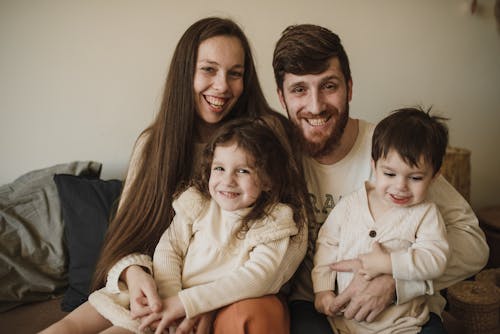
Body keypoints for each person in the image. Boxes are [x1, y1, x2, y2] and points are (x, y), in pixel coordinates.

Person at [42, 17, 312, 334]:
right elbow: (128, 234)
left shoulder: (269, 135)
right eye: (209, 69)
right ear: (186, 72)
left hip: (223, 293)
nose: (223, 85)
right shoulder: (153, 145)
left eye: (235, 74)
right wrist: (134, 271)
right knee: (68, 326)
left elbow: (292, 241)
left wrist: (198, 303)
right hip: (158, 283)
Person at [272, 23, 489, 334]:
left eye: (329, 86)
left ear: (349, 86)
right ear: (282, 97)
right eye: (299, 89)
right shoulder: (277, 156)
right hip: (320, 308)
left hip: (406, 314)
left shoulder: (394, 153)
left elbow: (473, 245)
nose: (316, 105)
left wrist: (397, 279)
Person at [41, 117, 308, 334]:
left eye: (243, 171)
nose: (227, 181)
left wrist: (184, 305)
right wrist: (169, 295)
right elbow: (170, 248)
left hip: (192, 312)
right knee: (67, 327)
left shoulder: (273, 223)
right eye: (219, 168)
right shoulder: (199, 204)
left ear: (269, 180)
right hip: (157, 296)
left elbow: (258, 278)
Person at [312, 107, 450, 333]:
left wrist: (388, 264)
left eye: (415, 178)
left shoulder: (426, 214)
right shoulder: (349, 205)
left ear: (434, 176)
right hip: (343, 324)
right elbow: (327, 245)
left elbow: (435, 258)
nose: (400, 186)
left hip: (401, 325)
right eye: (390, 174)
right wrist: (323, 290)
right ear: (374, 165)